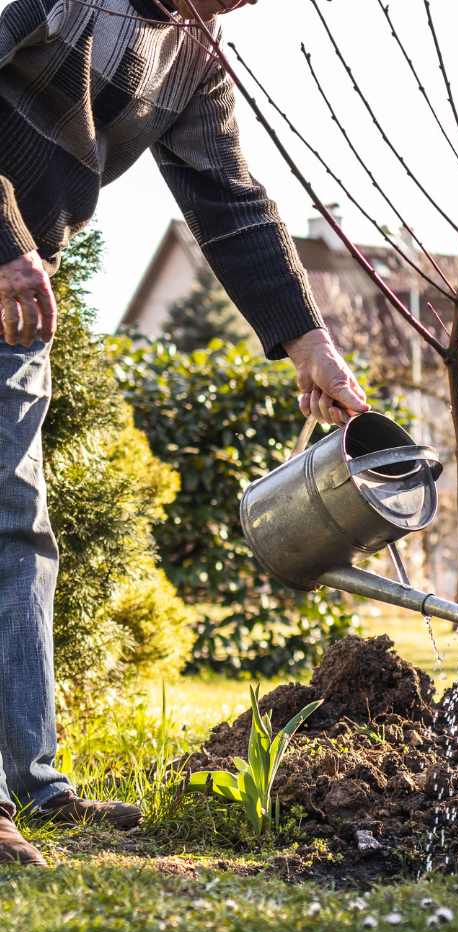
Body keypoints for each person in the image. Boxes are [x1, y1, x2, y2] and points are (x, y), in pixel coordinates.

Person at [0, 0, 369, 865]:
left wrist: (309, 345)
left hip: (15, 294)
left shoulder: (194, 52)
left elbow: (230, 201)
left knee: (16, 530)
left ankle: (37, 788)